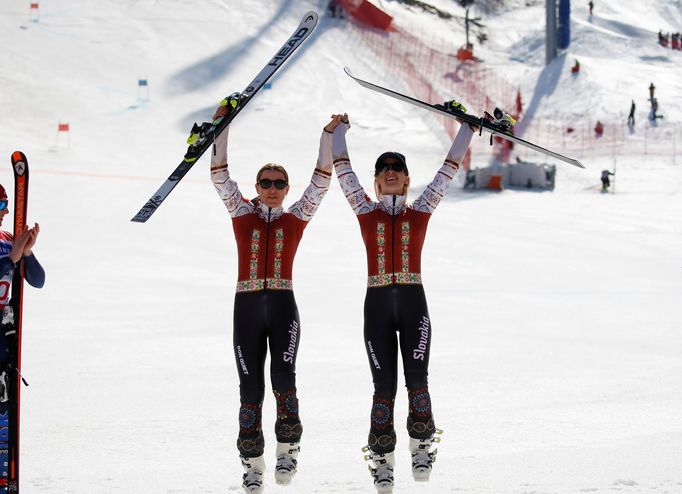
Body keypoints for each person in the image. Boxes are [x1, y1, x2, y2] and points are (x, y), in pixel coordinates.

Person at [330, 105, 475, 493]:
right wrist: (338, 130)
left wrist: (467, 129)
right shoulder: (364, 210)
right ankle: (381, 462)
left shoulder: (421, 209)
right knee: (383, 388)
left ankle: (422, 447)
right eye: (382, 169)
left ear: (407, 179)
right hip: (376, 305)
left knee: (418, 383)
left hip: (414, 303)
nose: (389, 172)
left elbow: (448, 169)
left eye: (396, 167)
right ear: (377, 183)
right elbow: (343, 171)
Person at [210, 95, 337, 493]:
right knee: (250, 389)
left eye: (279, 183)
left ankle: (288, 450)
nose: (272, 189)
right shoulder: (241, 213)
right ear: (256, 187)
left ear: (286, 188)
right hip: (246, 308)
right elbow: (218, 174)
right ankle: (252, 464)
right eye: (265, 183)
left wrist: (328, 138)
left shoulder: (296, 217)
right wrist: (223, 126)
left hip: (283, 307)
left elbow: (321, 182)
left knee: (284, 380)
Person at [0, 182, 45, 484]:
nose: (4, 213)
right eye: (0, 207)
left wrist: (26, 253)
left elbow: (38, 280)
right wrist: (12, 259)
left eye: (4, 206)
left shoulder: (6, 239)